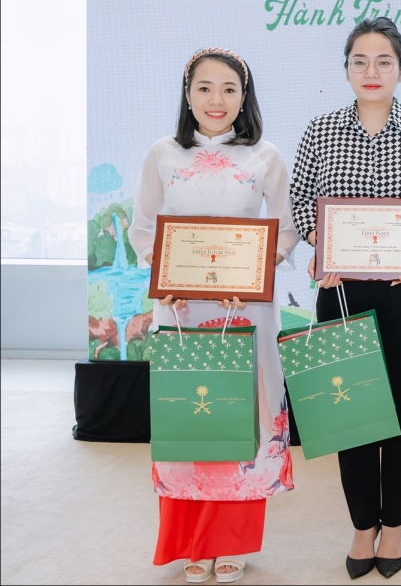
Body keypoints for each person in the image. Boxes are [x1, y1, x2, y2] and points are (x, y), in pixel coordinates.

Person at [290, 17, 401, 579]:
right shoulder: (320, 131)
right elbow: (300, 203)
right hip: (341, 292)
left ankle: (395, 524)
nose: (371, 71)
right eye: (360, 61)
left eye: (383, 61)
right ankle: (363, 524)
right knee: (351, 412)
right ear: (345, 69)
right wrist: (321, 243)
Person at [130, 47, 300, 584]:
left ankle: (231, 543)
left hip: (245, 310)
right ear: (187, 95)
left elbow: (287, 230)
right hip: (180, 310)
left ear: (244, 97)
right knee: (191, 416)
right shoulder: (162, 154)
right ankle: (192, 544)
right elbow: (143, 230)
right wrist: (165, 283)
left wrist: (255, 274)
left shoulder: (266, 156)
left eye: (229, 88)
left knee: (240, 416)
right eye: (204, 88)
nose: (216, 99)